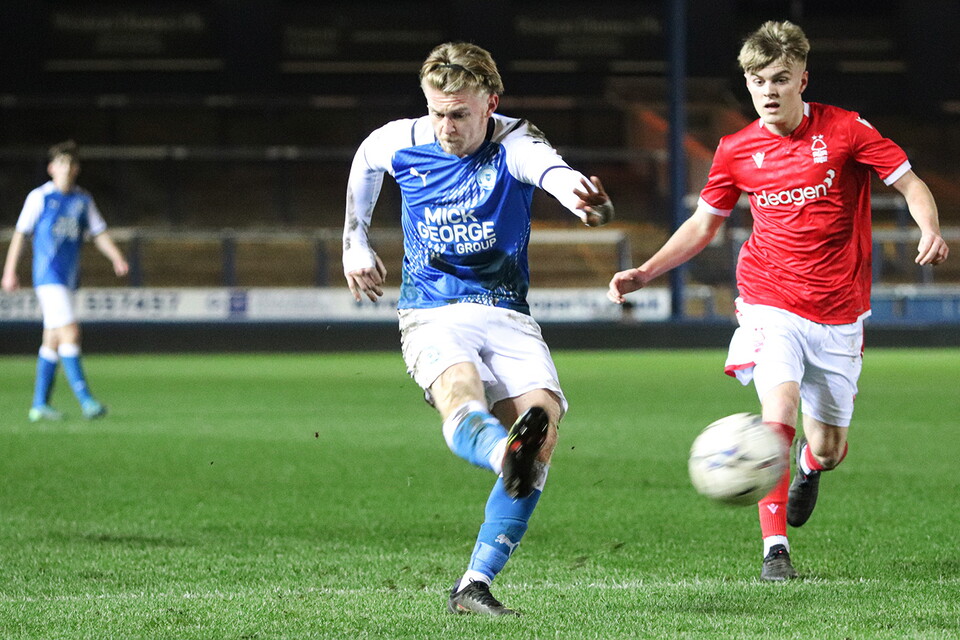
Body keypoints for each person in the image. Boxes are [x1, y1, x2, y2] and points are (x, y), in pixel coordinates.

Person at [607, 21, 949, 580]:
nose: (768, 91)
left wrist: (929, 229)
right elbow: (702, 226)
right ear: (747, 83)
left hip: (839, 309)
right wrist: (646, 270)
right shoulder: (736, 150)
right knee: (779, 408)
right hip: (769, 299)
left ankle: (810, 469)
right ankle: (775, 550)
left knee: (830, 446)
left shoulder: (845, 130)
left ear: (801, 80)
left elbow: (909, 183)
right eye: (757, 80)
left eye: (780, 79)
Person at [342, 42, 614, 614]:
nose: (446, 126)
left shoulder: (517, 141)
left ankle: (474, 583)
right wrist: (355, 241)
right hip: (432, 310)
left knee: (543, 428)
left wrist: (583, 204)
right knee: (461, 391)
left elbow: (552, 173)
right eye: (437, 112)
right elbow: (365, 163)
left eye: (460, 113)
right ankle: (501, 455)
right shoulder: (400, 139)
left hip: (507, 313)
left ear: (491, 103)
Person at [2, 140, 129, 421]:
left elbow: (98, 232)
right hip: (48, 276)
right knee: (70, 332)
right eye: (61, 163)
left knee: (53, 340)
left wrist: (116, 257)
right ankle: (86, 400)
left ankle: (39, 405)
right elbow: (22, 233)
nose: (67, 168)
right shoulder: (40, 198)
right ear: (51, 168)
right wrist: (9, 271)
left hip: (69, 279)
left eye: (71, 163)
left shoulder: (83, 200)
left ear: (77, 169)